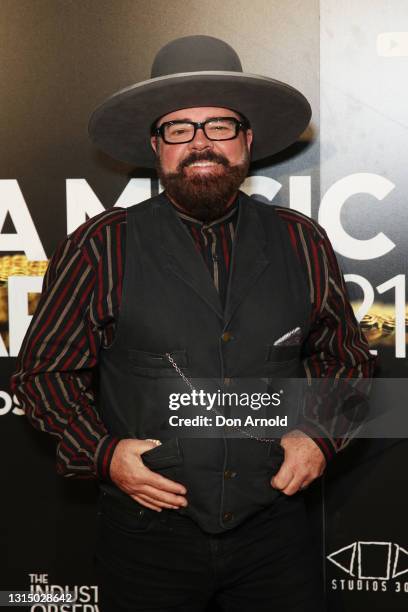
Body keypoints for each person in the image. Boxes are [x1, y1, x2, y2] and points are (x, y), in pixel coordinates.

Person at [11, 35, 375, 611]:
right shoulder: (100, 246)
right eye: (180, 129)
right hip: (146, 539)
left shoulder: (301, 240)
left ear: (247, 140)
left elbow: (351, 361)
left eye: (220, 126)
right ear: (156, 146)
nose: (201, 143)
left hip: (275, 535)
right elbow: (41, 375)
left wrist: (322, 438)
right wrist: (104, 454)